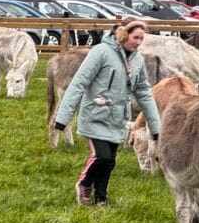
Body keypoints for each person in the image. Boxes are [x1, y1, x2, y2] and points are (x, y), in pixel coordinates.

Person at [55, 17, 161, 207]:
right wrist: (63, 118)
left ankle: (101, 198)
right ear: (122, 34)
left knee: (110, 160)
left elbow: (144, 92)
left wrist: (155, 126)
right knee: (101, 156)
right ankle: (84, 183)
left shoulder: (137, 60)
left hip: (117, 118)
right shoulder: (101, 52)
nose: (138, 43)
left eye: (141, 39)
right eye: (135, 37)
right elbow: (79, 83)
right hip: (95, 115)